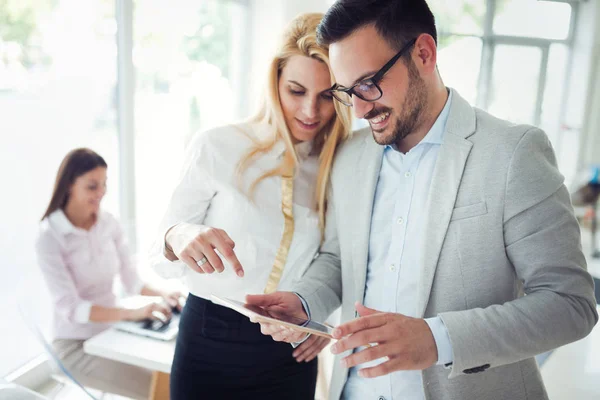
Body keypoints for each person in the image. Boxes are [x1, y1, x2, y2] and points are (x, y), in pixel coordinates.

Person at [246, 1, 599, 399]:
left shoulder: (513, 152)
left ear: (424, 53)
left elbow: (570, 304)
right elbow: (339, 259)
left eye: (368, 84)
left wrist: (437, 338)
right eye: (346, 92)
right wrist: (304, 300)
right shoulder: (350, 156)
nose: (360, 110)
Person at [152, 12, 352, 399]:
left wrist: (317, 315)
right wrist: (180, 235)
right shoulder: (217, 145)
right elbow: (158, 253)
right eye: (296, 91)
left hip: (292, 352)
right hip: (208, 340)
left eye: (327, 96)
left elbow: (337, 259)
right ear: (274, 81)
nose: (311, 111)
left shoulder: (342, 164)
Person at [36, 148, 183, 400]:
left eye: (104, 184)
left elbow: (131, 281)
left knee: (175, 372)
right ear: (69, 184)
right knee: (164, 390)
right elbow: (73, 308)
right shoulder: (50, 236)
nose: (101, 193)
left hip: (114, 332)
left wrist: (165, 293)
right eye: (92, 186)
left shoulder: (108, 223)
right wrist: (132, 314)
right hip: (75, 346)